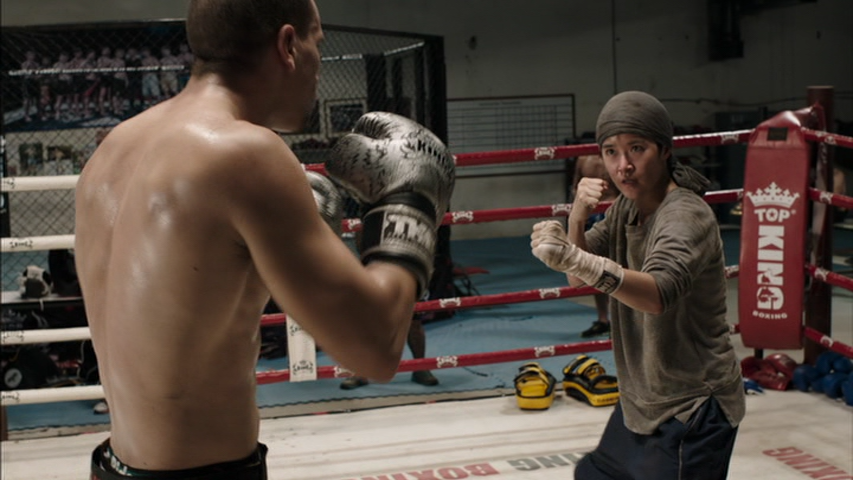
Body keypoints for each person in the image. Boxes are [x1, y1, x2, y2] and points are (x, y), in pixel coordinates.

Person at [75, 1, 455, 478]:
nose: (319, 63)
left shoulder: (113, 150)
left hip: (112, 464)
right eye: (320, 43)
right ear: (288, 44)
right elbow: (375, 346)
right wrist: (411, 201)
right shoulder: (243, 154)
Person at [531, 91, 745, 479]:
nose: (623, 166)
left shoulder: (685, 215)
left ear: (664, 150)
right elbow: (578, 275)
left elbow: (658, 294)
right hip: (644, 397)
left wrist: (575, 256)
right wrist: (575, 218)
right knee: (594, 474)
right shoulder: (626, 208)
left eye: (637, 149)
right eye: (611, 152)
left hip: (694, 405)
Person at [571, 154, 617, 338]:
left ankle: (625, 322)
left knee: (620, 267)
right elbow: (576, 185)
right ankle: (603, 319)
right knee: (593, 268)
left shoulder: (616, 157)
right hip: (590, 213)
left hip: (613, 210)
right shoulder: (582, 159)